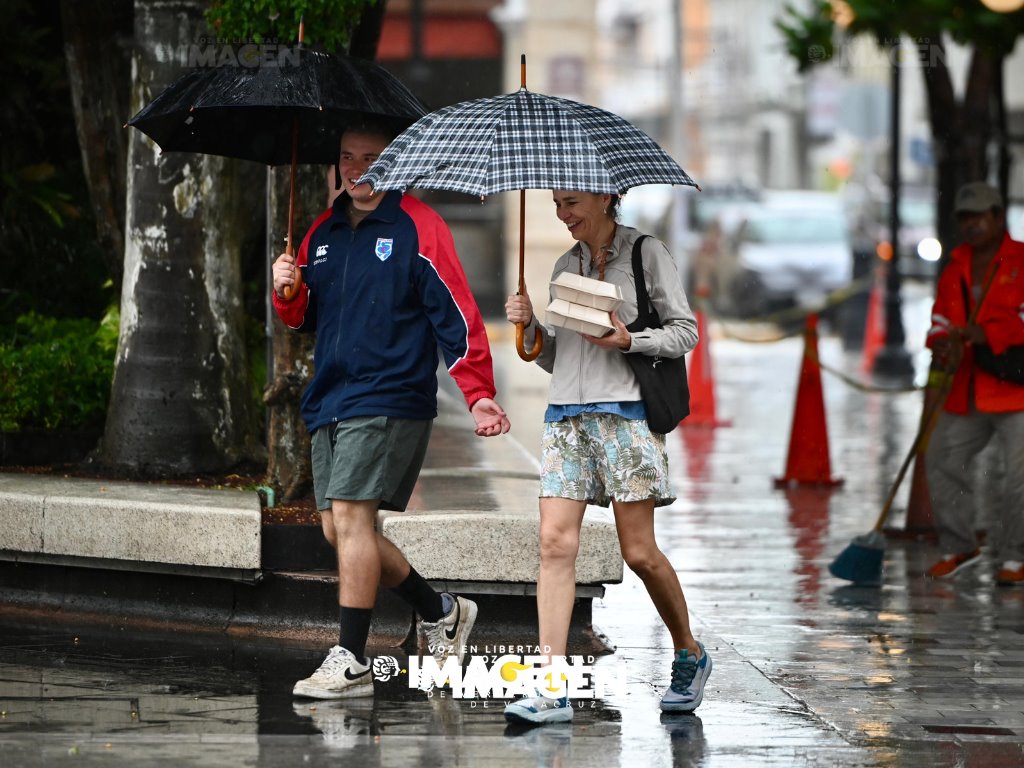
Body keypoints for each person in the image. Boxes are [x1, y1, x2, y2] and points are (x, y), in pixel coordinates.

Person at [272, 122, 511, 699]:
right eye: (348, 158)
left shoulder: (417, 227)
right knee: (337, 527)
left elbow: (455, 312)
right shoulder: (320, 233)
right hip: (329, 397)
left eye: (372, 158)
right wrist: (287, 292)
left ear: (396, 163)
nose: (358, 169)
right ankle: (441, 611)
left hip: (390, 394)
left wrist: (478, 392)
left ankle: (351, 659)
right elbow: (305, 319)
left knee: (352, 520)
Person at [502, 189, 709, 724]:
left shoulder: (646, 253)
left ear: (604, 198)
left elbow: (685, 331)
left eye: (571, 203)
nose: (562, 214)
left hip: (628, 415)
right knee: (553, 543)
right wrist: (529, 328)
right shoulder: (562, 265)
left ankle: (688, 650)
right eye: (555, 205)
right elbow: (556, 358)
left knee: (639, 551)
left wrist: (629, 342)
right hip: (566, 416)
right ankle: (551, 686)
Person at [925, 181, 1024, 582]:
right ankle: (960, 544)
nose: (972, 225)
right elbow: (940, 321)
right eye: (965, 218)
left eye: (979, 216)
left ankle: (1016, 556)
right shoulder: (955, 268)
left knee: (1019, 476)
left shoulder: (1020, 261)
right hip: (967, 387)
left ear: (998, 217)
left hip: (1015, 388)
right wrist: (940, 343)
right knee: (942, 459)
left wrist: (990, 334)